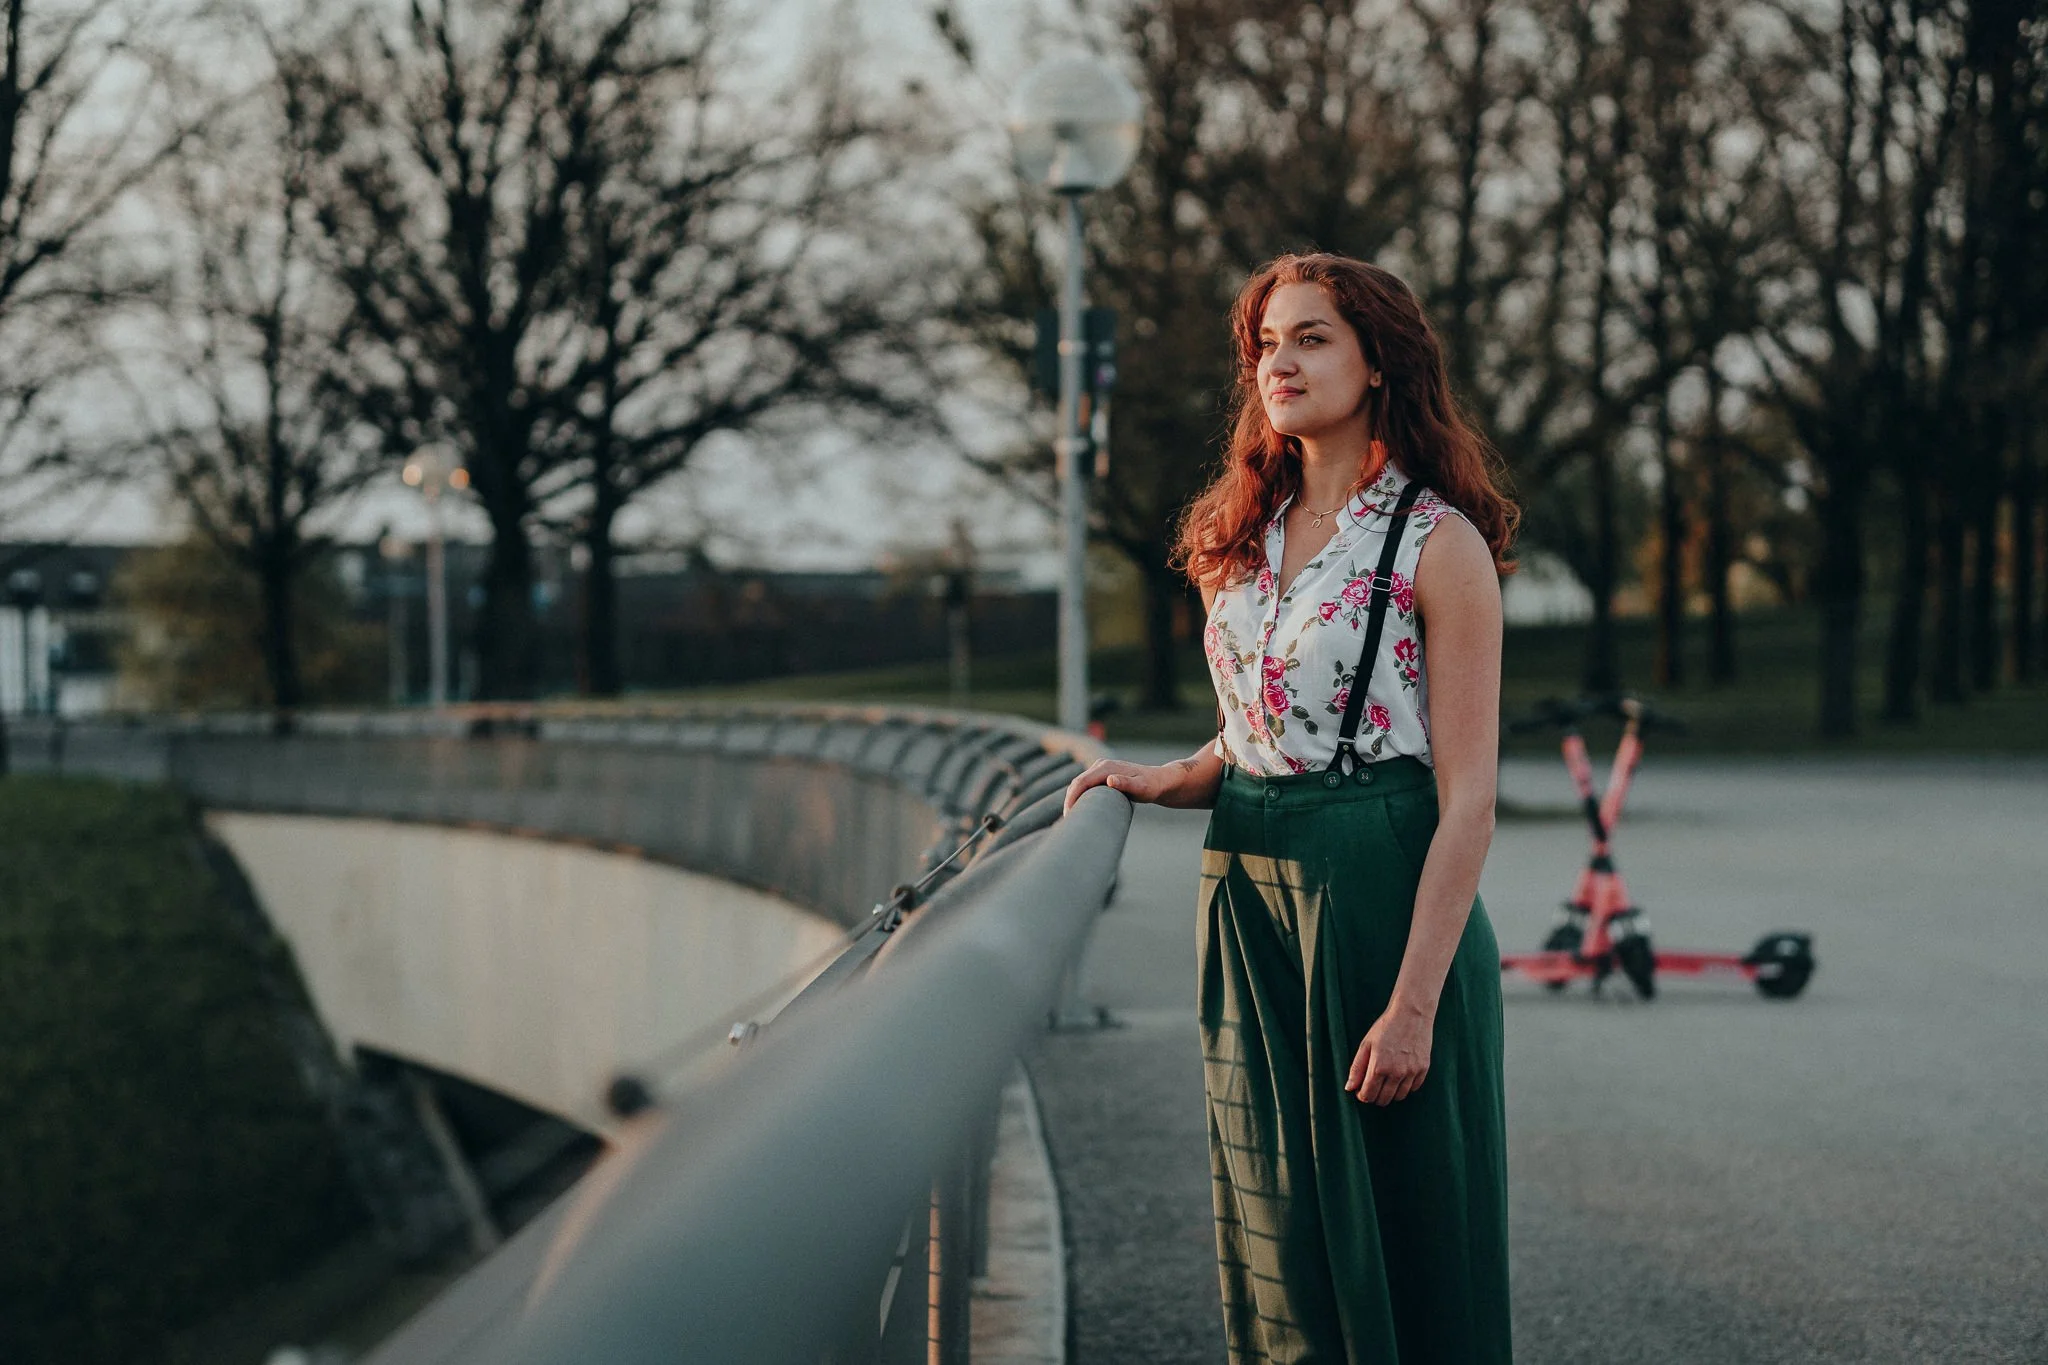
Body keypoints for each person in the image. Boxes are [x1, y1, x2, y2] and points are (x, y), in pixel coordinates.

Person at [1063, 252, 1518, 1364]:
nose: (1279, 362)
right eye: (1265, 343)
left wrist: (1412, 1008)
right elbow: (1260, 722)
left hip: (1377, 888)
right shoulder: (1236, 542)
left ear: (1377, 363)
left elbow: (1466, 803)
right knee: (1275, 1220)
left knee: (1408, 1228)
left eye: (1310, 338)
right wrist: (1168, 779)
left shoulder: (1435, 544)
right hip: (1245, 886)